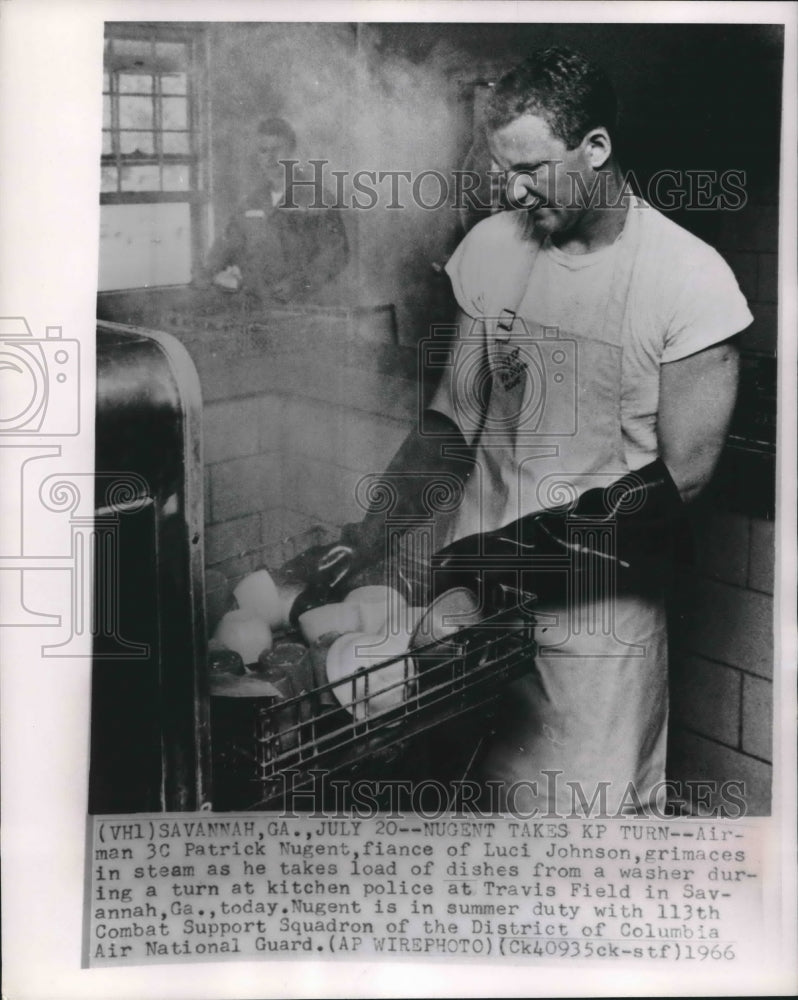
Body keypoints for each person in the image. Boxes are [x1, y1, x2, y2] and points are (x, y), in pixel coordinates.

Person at [290, 47, 752, 817]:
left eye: (533, 168)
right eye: (504, 169)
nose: (513, 189)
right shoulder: (495, 248)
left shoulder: (691, 281)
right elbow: (453, 418)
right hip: (470, 621)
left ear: (595, 148)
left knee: (582, 842)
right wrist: (369, 534)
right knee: (474, 814)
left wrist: (490, 558)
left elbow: (678, 487)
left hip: (593, 630)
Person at [201, 116, 349, 304]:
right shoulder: (251, 203)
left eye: (277, 150)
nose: (270, 159)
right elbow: (228, 244)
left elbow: (336, 254)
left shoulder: (317, 199)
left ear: (292, 152)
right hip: (255, 307)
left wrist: (302, 283)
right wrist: (209, 271)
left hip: (304, 307)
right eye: (263, 151)